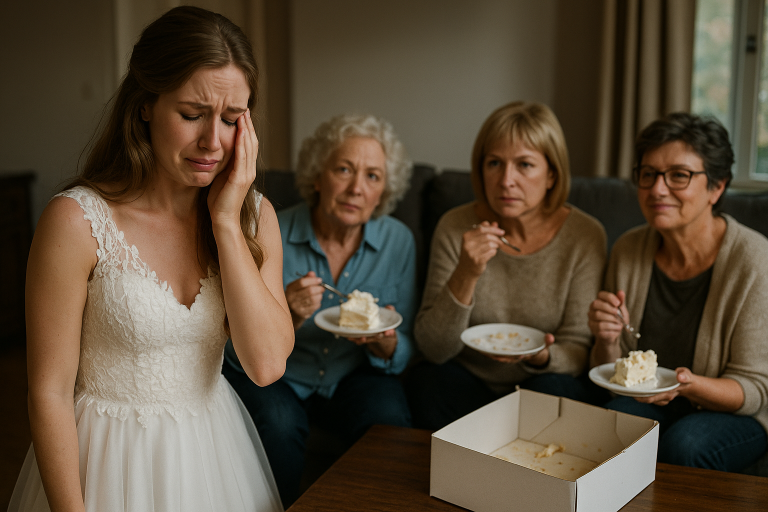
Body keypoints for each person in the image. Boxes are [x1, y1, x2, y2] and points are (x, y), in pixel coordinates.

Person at [8, 6, 293, 512]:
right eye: (191, 114)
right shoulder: (76, 222)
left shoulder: (254, 218)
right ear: (144, 104)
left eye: (231, 120)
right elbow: (47, 392)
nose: (212, 141)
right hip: (107, 465)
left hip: (212, 456)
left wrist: (227, 223)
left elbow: (267, 366)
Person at [222, 113, 417, 507]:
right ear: (317, 176)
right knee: (278, 422)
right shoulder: (270, 228)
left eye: (373, 177)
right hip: (281, 377)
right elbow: (232, 352)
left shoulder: (399, 241)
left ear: (384, 192)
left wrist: (387, 346)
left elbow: (408, 343)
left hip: (353, 373)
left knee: (389, 414)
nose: (356, 188)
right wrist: (287, 315)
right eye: (343, 169)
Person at [407, 101, 607, 431]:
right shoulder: (455, 226)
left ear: (551, 175)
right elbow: (434, 348)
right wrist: (467, 272)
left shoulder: (585, 236)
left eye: (524, 165)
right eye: (494, 163)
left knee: (560, 392)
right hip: (466, 381)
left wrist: (540, 357)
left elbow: (578, 349)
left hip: (541, 382)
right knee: (428, 381)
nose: (506, 180)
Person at [588, 112, 768, 472]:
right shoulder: (628, 249)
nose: (657, 189)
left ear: (716, 187)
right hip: (651, 401)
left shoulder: (754, 260)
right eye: (648, 174)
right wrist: (605, 338)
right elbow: (608, 373)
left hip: (732, 412)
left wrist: (687, 385)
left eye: (679, 176)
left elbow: (752, 390)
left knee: (685, 444)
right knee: (610, 423)